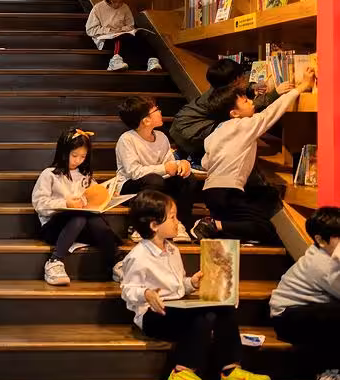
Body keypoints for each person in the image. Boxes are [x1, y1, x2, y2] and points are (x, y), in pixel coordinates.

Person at [121, 190, 271, 380]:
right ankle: (182, 370)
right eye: (172, 217)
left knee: (220, 310)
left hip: (176, 308)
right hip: (153, 316)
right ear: (154, 225)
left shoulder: (172, 250)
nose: (177, 222)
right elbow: (127, 290)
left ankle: (230, 371)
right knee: (201, 316)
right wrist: (146, 294)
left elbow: (176, 284)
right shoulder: (138, 256)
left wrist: (190, 283)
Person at [191, 68, 315, 242]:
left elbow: (205, 162)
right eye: (245, 101)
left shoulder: (215, 133)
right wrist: (301, 87)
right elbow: (272, 112)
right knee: (264, 229)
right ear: (234, 113)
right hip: (229, 191)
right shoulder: (244, 125)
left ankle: (214, 226)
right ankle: (212, 224)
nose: (251, 102)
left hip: (211, 191)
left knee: (238, 227)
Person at [32, 128, 123, 286]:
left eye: (83, 156)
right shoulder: (49, 175)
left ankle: (116, 262)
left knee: (93, 218)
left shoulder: (85, 176)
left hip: (81, 228)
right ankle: (54, 261)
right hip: (55, 228)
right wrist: (65, 204)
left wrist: (107, 196)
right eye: (74, 155)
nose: (78, 160)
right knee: (78, 216)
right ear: (63, 152)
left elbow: (94, 195)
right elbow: (40, 204)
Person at [270, 207, 340, 380]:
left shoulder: (327, 253)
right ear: (320, 240)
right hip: (287, 317)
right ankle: (329, 375)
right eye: (338, 238)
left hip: (310, 311)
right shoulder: (323, 264)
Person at [169, 58, 290, 167]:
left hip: (184, 125)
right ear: (234, 81)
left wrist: (253, 88)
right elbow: (250, 108)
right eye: (241, 77)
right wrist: (275, 93)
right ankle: (194, 159)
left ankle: (188, 155)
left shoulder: (221, 87)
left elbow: (243, 90)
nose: (244, 79)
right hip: (190, 130)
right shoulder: (221, 98)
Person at [116, 95, 193, 242]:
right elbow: (134, 172)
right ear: (146, 120)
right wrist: (164, 168)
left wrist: (181, 165)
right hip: (130, 187)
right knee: (154, 179)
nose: (160, 112)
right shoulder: (127, 139)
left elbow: (170, 166)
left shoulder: (162, 137)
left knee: (186, 179)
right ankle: (140, 226)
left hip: (158, 183)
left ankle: (180, 223)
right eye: (156, 110)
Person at [85, 0, 162, 72]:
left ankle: (152, 60)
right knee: (119, 39)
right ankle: (115, 61)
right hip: (105, 39)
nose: (117, 4)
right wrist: (110, 31)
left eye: (120, 1)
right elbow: (90, 30)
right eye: (114, 1)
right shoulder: (98, 8)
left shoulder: (125, 7)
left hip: (123, 35)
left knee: (141, 36)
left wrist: (122, 30)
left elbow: (130, 25)